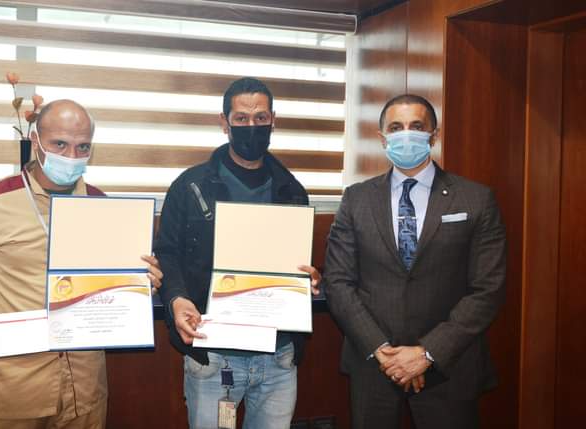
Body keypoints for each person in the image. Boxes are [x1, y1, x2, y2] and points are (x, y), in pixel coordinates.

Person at [0, 99, 163, 429]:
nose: (71, 156)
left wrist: (141, 282)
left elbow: (114, 285)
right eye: (60, 144)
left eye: (82, 147)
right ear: (35, 141)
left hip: (84, 394)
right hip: (10, 392)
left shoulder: (102, 206)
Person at [324, 94, 507, 429]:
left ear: (433, 136)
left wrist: (426, 353)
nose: (406, 134)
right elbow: (338, 282)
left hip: (449, 366)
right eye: (396, 127)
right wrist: (382, 351)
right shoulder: (356, 199)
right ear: (382, 138)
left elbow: (488, 289)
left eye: (416, 126)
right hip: (374, 366)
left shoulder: (476, 199)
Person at [155, 77, 320, 429]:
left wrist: (309, 279)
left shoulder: (293, 190)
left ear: (273, 120)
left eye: (260, 118)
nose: (251, 126)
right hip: (214, 354)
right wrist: (177, 299)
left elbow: (298, 265)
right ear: (224, 122)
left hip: (278, 356)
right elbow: (166, 253)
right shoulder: (190, 186)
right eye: (241, 118)